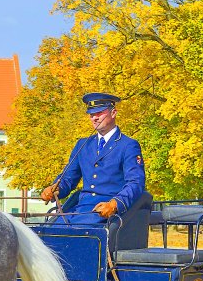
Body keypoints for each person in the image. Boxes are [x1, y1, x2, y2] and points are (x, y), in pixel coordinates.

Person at [40, 92, 145, 224]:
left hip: (107, 213)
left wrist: (115, 204)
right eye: (91, 115)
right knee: (48, 230)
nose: (94, 118)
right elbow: (68, 178)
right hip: (80, 209)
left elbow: (135, 183)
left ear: (113, 113)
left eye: (99, 113)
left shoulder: (128, 145)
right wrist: (55, 189)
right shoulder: (83, 144)